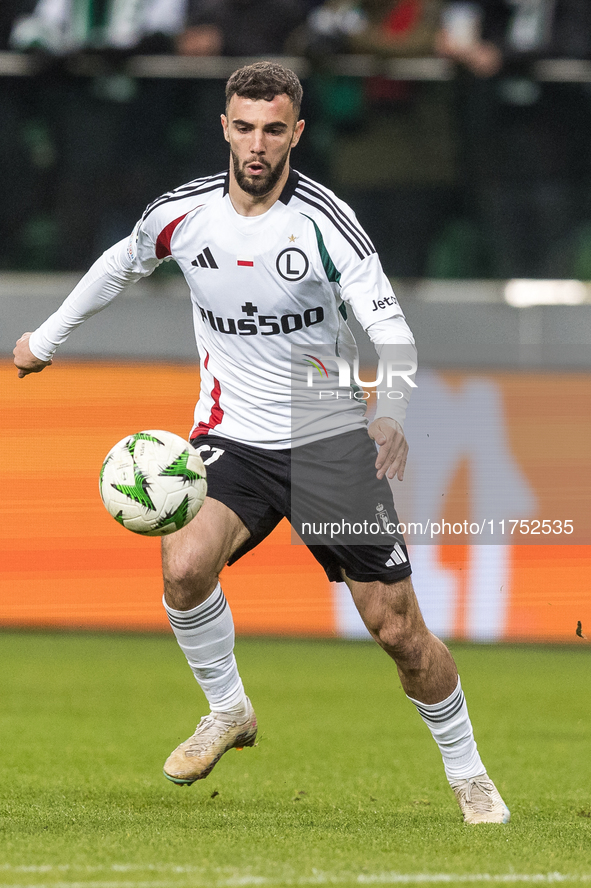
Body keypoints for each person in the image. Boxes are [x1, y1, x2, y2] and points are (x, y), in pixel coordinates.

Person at [13, 61, 509, 824]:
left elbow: (390, 331)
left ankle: (470, 775)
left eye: (273, 129)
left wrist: (392, 414)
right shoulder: (184, 215)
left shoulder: (324, 222)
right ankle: (229, 710)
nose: (256, 143)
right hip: (229, 438)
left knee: (397, 630)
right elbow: (122, 261)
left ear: (296, 133)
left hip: (327, 435)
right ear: (223, 127)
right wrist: (46, 338)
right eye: (243, 127)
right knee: (181, 564)